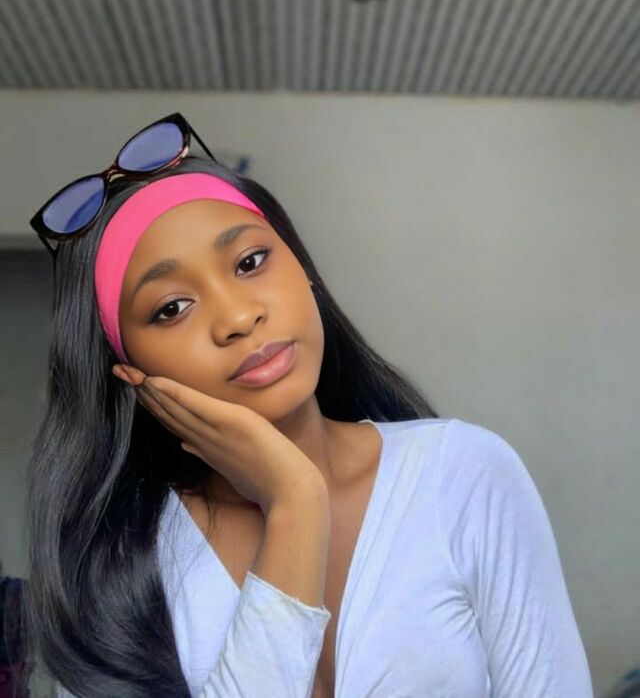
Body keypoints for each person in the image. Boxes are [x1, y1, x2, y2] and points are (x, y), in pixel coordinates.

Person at [23, 113, 594, 697]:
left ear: (304, 273)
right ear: (129, 372)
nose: (238, 317)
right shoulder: (113, 570)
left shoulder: (462, 474)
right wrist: (294, 503)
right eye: (172, 308)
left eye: (250, 262)